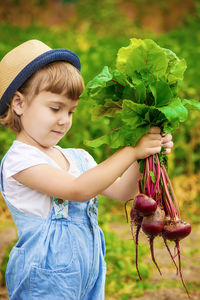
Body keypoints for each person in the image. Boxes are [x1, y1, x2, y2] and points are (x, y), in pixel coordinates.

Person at [0, 40, 173, 300]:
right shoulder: (19, 160)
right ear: (19, 104)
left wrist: (146, 155)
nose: (64, 120)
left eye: (71, 111)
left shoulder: (77, 158)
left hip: (89, 274)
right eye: (55, 108)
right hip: (44, 283)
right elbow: (77, 190)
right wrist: (131, 151)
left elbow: (121, 191)